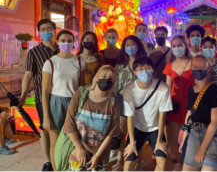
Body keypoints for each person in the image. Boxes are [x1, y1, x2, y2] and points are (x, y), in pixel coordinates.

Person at [42, 30, 86, 172]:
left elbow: (81, 87)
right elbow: (44, 92)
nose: (66, 43)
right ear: (58, 42)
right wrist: (46, 117)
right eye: (63, 40)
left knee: (75, 140)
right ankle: (56, 170)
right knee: (54, 142)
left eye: (69, 40)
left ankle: (72, 168)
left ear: (74, 42)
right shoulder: (50, 63)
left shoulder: (79, 61)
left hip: (75, 103)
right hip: (56, 103)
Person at [17, 19, 57, 172]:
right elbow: (28, 76)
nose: (46, 31)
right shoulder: (33, 52)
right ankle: (47, 161)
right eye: (43, 29)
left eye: (49, 28)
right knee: (45, 128)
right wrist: (22, 97)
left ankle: (57, 157)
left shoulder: (61, 50)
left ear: (54, 30)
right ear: (39, 32)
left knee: (61, 129)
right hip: (42, 97)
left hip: (61, 97)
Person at [64, 65, 120, 172]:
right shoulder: (81, 95)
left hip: (100, 155)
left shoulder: (113, 102)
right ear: (97, 77)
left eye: (111, 79)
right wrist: (79, 148)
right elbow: (69, 124)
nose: (106, 80)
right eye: (103, 76)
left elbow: (111, 133)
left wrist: (97, 156)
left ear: (113, 82)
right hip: (78, 149)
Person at [123, 57, 173, 172]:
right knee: (129, 161)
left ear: (153, 69)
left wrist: (160, 141)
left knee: (162, 160)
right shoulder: (129, 89)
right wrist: (131, 143)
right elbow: (129, 117)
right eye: (140, 69)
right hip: (137, 127)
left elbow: (162, 116)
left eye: (147, 68)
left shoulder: (163, 88)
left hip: (155, 129)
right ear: (135, 73)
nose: (144, 71)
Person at [179, 55, 217, 172]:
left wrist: (202, 149)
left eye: (202, 67)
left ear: (208, 69)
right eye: (195, 67)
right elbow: (189, 115)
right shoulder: (190, 90)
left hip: (212, 137)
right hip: (194, 134)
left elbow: (214, 122)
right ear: (191, 67)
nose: (198, 70)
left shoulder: (214, 90)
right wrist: (184, 140)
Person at [112, 36, 147, 172]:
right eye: (128, 44)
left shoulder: (144, 63)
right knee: (122, 132)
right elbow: (116, 85)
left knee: (139, 131)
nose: (130, 47)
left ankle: (138, 162)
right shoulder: (120, 65)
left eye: (133, 44)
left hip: (140, 100)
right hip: (122, 99)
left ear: (138, 46)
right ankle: (119, 161)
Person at [163, 35, 194, 172]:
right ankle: (181, 162)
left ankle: (191, 164)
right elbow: (167, 88)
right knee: (172, 139)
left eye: (179, 45)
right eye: (174, 46)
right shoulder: (169, 65)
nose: (177, 48)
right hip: (174, 105)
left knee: (192, 139)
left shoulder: (194, 63)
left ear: (185, 45)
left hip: (191, 106)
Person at [201, 37, 217, 133]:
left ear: (215, 49)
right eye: (205, 47)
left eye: (211, 47)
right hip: (203, 105)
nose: (208, 49)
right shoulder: (198, 65)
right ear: (201, 49)